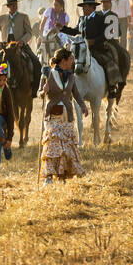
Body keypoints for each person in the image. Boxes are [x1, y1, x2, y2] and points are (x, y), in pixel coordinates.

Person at [60, 0, 126, 100]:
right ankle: (67, 87)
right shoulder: (82, 19)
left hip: (97, 49)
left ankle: (111, 87)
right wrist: (63, 28)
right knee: (71, 62)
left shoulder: (100, 18)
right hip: (82, 49)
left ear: (92, 8)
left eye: (85, 7)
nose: (83, 9)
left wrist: (93, 41)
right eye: (83, 7)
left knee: (108, 62)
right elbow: (75, 31)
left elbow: (105, 35)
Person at [38, 49, 87, 183]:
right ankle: (48, 176)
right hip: (53, 115)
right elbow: (39, 94)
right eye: (71, 59)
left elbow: (76, 93)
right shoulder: (47, 75)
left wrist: (82, 105)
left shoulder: (71, 76)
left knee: (66, 146)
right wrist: (43, 91)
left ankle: (62, 175)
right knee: (52, 144)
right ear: (63, 61)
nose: (73, 61)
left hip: (67, 116)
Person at [0, 0, 42, 85]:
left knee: (36, 62)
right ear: (8, 6)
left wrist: (22, 41)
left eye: (15, 5)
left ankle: (34, 88)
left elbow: (29, 32)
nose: (14, 6)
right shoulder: (2, 18)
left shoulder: (23, 16)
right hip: (6, 47)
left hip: (21, 46)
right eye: (12, 5)